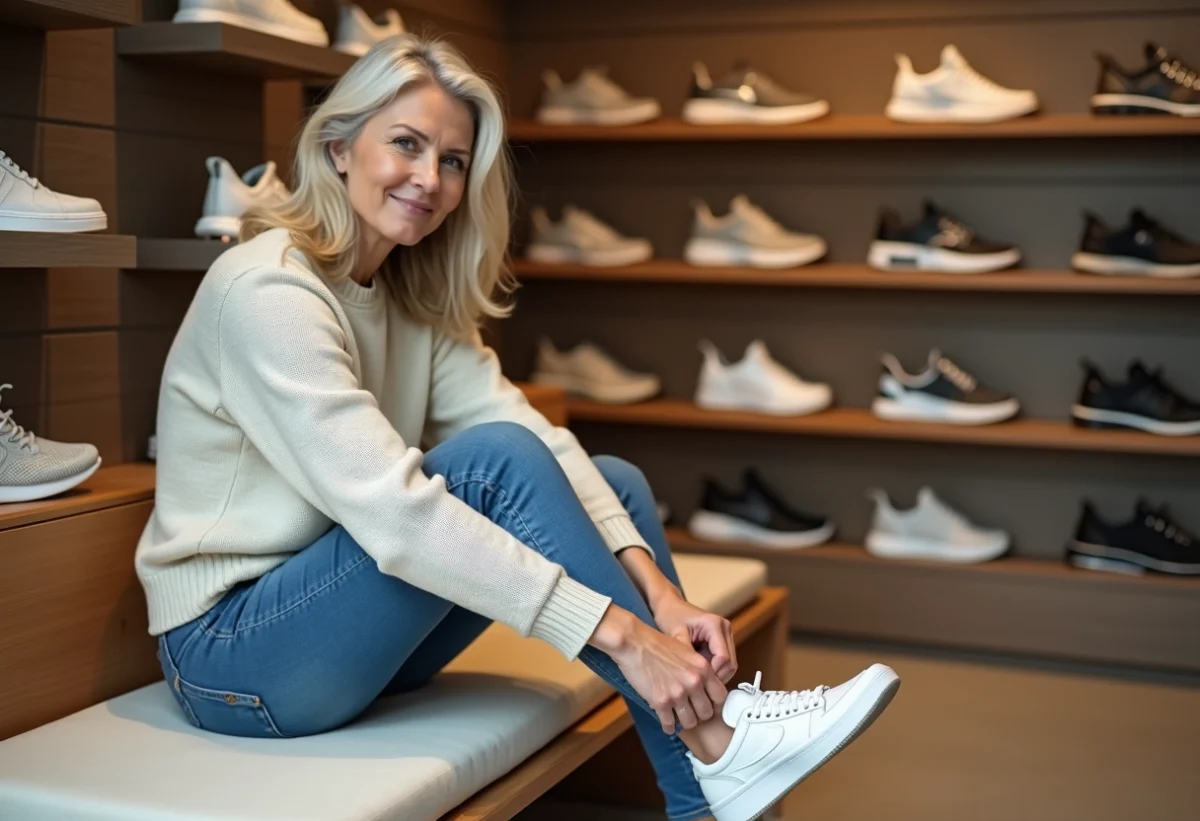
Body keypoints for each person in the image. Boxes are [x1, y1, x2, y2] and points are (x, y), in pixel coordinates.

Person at [134, 34, 898, 821]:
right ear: (338, 147)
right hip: (236, 657)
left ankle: (705, 797)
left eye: (454, 160)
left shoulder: (407, 293)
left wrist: (662, 598)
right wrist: (625, 635)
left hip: (345, 628)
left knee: (612, 484)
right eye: (405, 144)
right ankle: (719, 737)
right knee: (493, 464)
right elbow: (395, 516)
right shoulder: (268, 290)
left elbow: (534, 433)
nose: (429, 179)